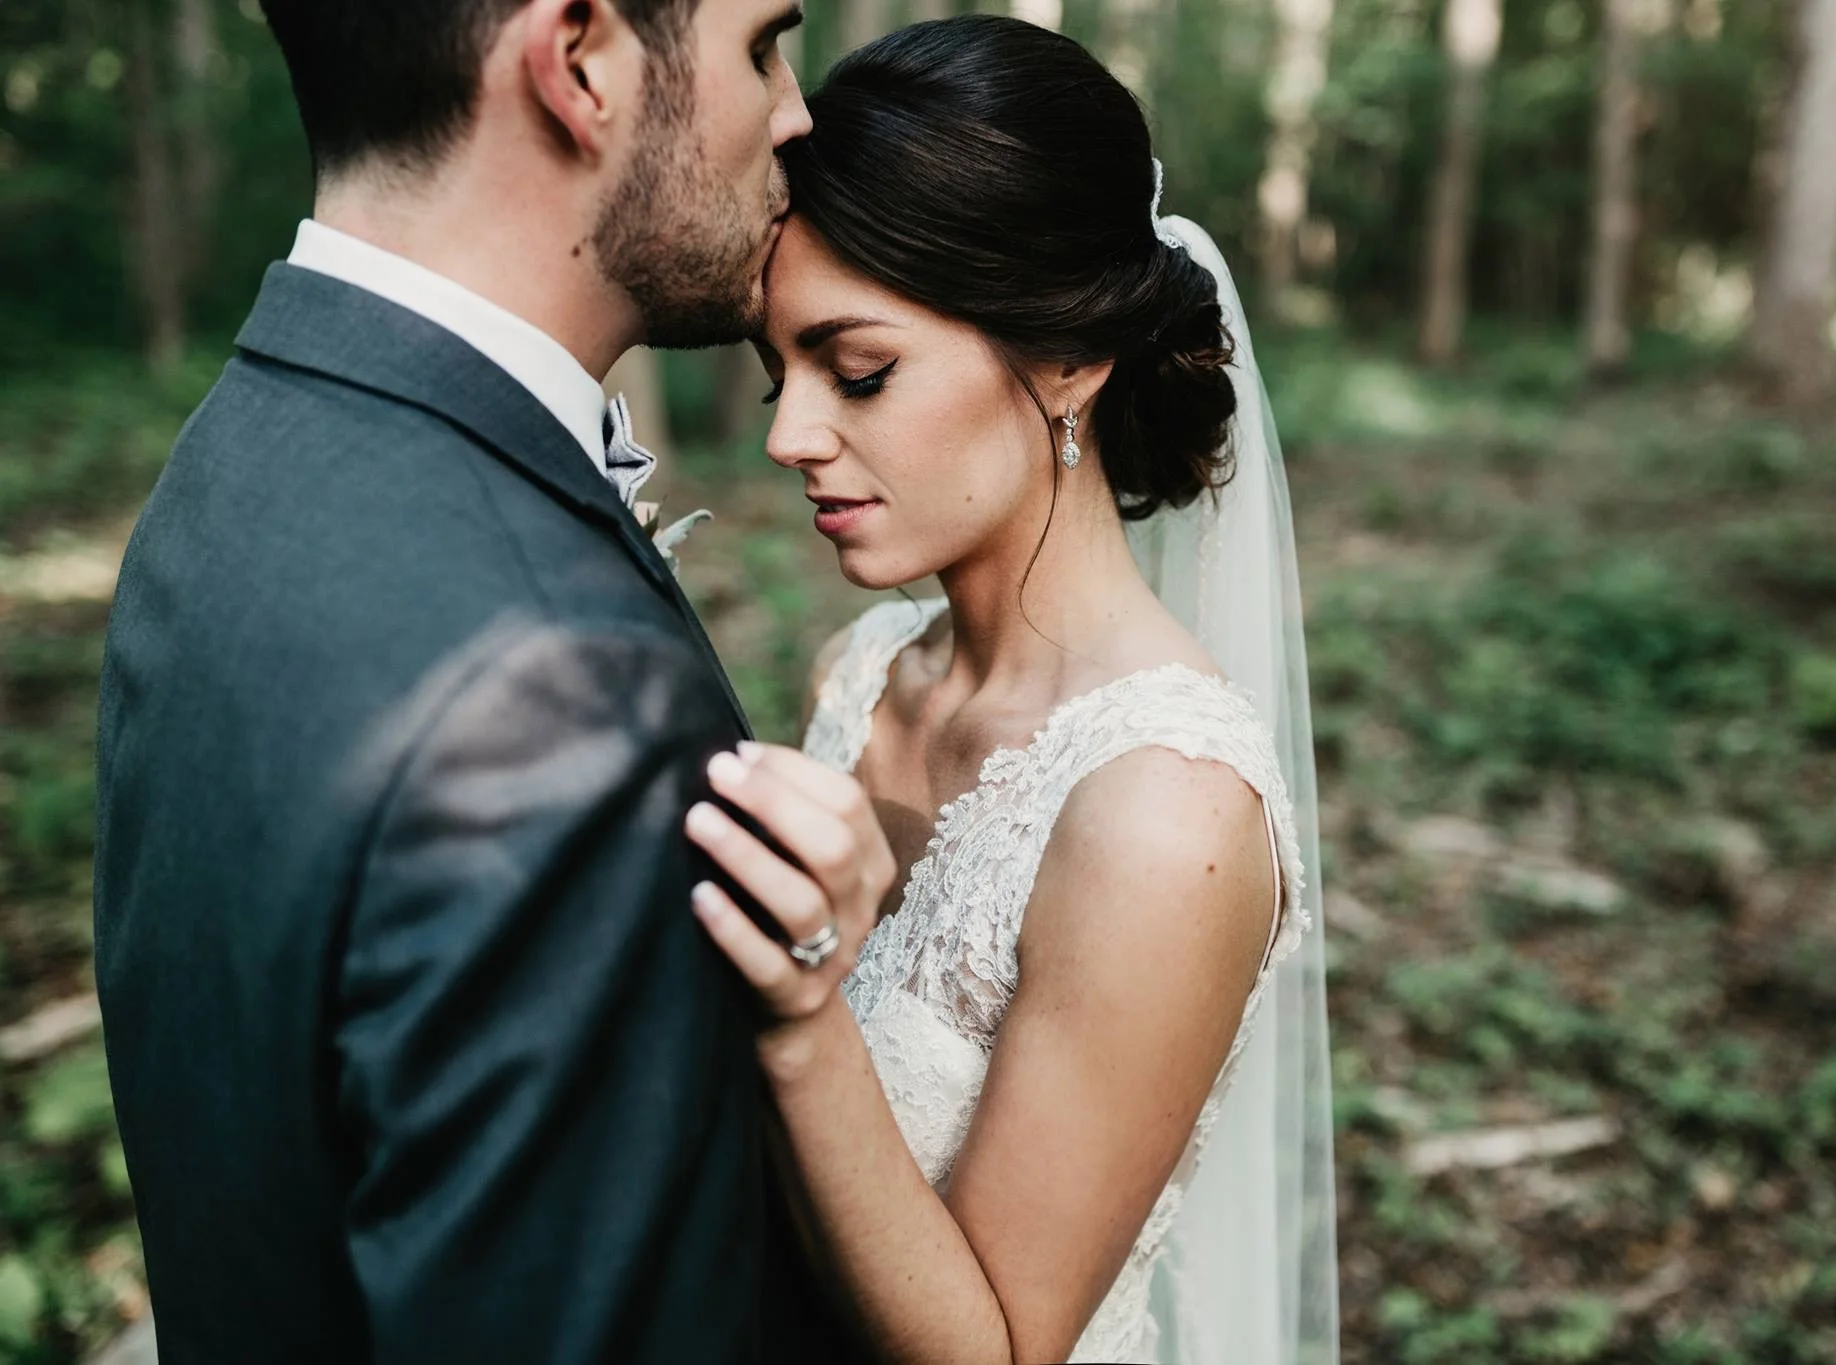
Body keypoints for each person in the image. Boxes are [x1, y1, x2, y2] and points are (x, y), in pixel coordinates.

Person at [92, 1, 876, 1360]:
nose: (797, 112)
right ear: (581, 63)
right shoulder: (554, 710)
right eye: (762, 45)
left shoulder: (243, 453)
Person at [681, 17, 1339, 1363]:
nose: (790, 437)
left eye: (859, 371)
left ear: (1068, 355)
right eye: (778, 372)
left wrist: (804, 1021)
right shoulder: (862, 678)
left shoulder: (1167, 814)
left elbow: (995, 1348)